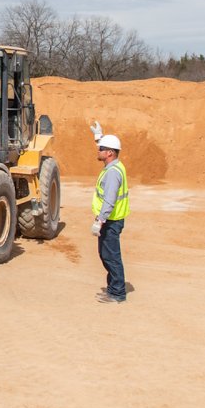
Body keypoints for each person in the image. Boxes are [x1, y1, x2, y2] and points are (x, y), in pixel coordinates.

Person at [89, 121, 129, 304]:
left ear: (110, 153)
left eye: (101, 148)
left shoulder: (113, 172)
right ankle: (113, 289)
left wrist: (100, 220)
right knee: (107, 255)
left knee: (111, 257)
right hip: (111, 220)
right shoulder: (115, 166)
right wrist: (99, 137)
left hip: (110, 221)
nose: (98, 150)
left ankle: (117, 293)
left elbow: (110, 199)